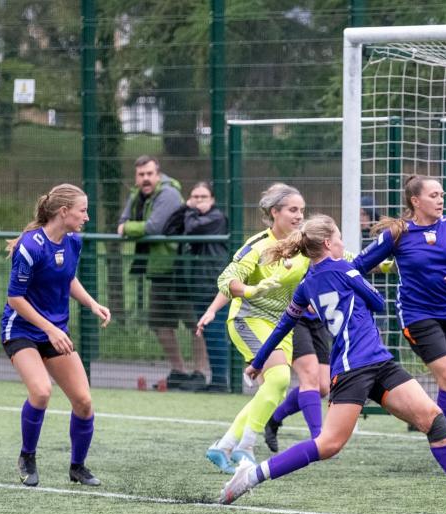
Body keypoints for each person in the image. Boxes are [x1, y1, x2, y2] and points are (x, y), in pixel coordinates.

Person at [217, 215, 446, 507]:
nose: (343, 243)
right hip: (353, 368)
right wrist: (361, 290)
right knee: (329, 444)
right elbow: (378, 302)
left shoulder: (306, 285)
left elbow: (284, 324)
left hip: (379, 361)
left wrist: (258, 361)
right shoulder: (345, 270)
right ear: (327, 243)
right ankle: (251, 476)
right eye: (339, 238)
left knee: (432, 418)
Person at [353, 174, 446, 469]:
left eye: (441, 194)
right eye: (433, 195)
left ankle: (442, 424)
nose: (440, 199)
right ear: (415, 201)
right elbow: (357, 267)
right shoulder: (397, 233)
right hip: (417, 316)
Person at [198, 183, 328, 472]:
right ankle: (244, 448)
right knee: (280, 378)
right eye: (293, 210)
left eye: (302, 210)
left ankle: (224, 446)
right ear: (275, 212)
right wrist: (249, 290)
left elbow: (340, 258)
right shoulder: (258, 245)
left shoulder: (304, 245)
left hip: (282, 325)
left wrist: (384, 262)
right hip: (248, 319)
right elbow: (226, 279)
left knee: (275, 388)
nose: (299, 216)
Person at [2, 184, 111, 487]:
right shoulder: (30, 245)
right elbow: (15, 299)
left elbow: (68, 278)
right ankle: (27, 457)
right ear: (64, 212)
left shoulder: (73, 241)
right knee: (41, 391)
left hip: (54, 331)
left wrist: (92, 303)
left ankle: (77, 467)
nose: (86, 217)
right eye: (82, 210)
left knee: (84, 401)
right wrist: (50, 329)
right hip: (21, 329)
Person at [118, 155, 199, 390]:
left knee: (195, 323)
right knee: (159, 323)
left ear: (158, 174)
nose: (145, 179)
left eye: (149, 174)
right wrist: (128, 227)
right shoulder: (137, 194)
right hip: (157, 269)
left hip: (179, 267)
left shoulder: (169, 193)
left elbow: (154, 227)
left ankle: (199, 373)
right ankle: (179, 371)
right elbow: (121, 221)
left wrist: (128, 229)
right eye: (141, 174)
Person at [167, 181, 230, 391]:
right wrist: (185, 208)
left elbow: (193, 228)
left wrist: (190, 212)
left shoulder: (216, 218)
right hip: (197, 284)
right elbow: (168, 229)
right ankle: (217, 381)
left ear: (212, 200)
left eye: (203, 197)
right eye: (194, 197)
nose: (198, 201)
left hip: (214, 284)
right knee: (208, 332)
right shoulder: (192, 214)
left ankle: (221, 381)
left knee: (216, 332)